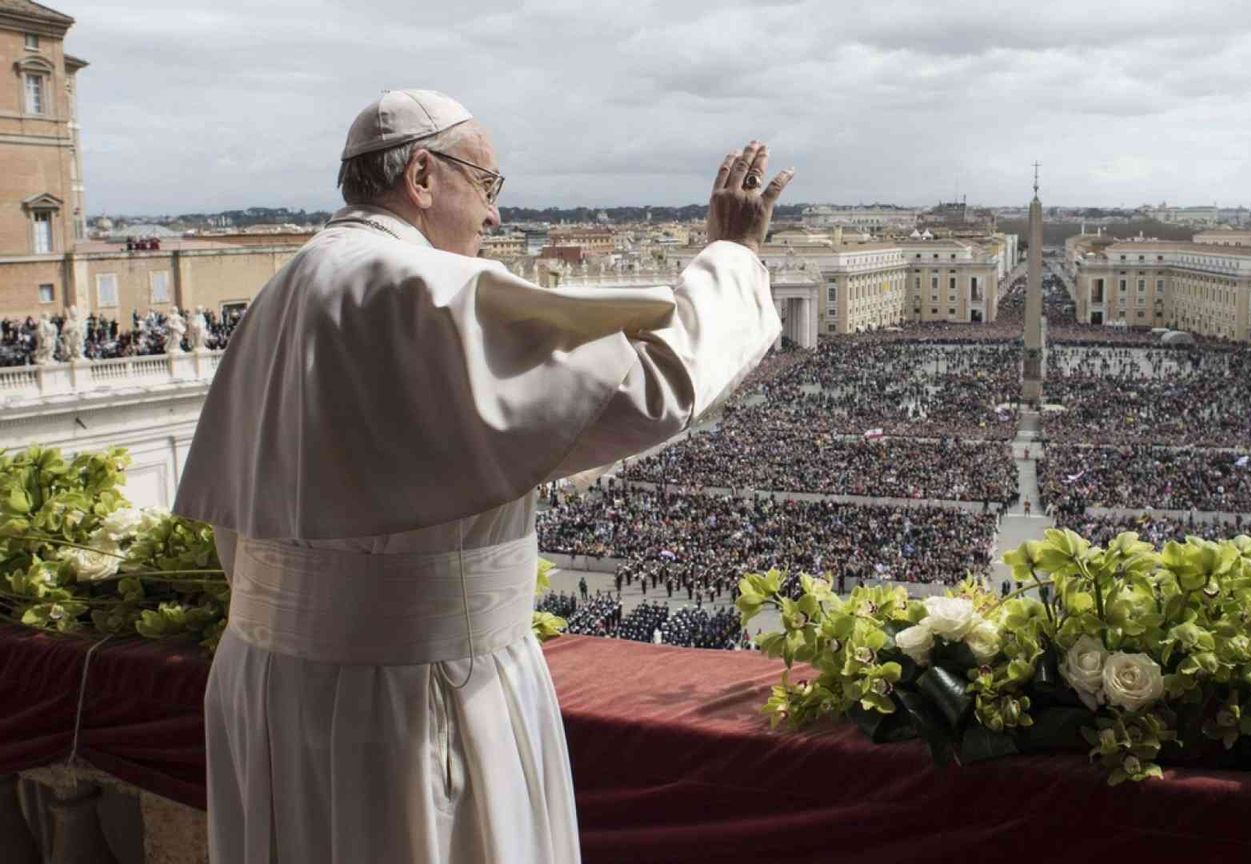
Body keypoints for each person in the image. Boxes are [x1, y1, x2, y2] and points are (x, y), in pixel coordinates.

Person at [173, 89, 794, 863]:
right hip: (416, 694)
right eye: (488, 186)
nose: (495, 215)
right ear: (422, 176)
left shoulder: (286, 287)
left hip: (266, 682)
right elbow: (650, 388)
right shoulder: (421, 286)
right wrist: (732, 253)